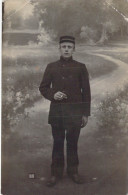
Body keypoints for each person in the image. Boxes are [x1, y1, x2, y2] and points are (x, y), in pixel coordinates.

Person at [39, 36, 91, 187]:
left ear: (74, 49)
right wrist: (53, 94)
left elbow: (86, 92)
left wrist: (85, 113)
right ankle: (56, 173)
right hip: (57, 111)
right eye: (64, 47)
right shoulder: (51, 66)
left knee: (73, 143)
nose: (66, 49)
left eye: (69, 47)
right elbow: (43, 87)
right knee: (58, 142)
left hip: (75, 112)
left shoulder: (81, 67)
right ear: (59, 48)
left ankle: (73, 171)